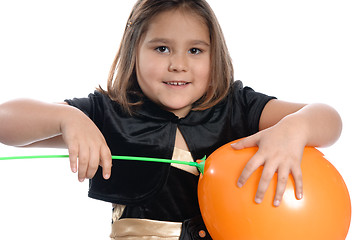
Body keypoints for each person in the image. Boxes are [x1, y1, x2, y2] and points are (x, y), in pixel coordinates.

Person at [0, 0, 342, 239]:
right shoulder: (107, 113)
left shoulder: (238, 105)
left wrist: (294, 129)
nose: (178, 64)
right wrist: (66, 117)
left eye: (195, 50)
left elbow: (329, 120)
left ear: (215, 55)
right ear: (134, 50)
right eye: (161, 48)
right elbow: (5, 121)